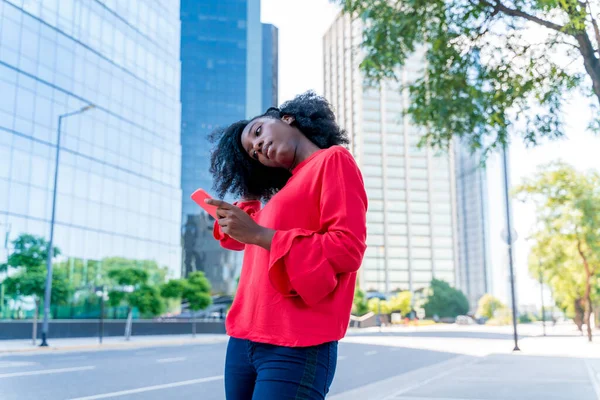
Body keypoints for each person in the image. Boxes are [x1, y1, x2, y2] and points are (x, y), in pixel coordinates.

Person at [206, 91, 368, 399]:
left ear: (286, 118)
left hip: (296, 341)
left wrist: (259, 234)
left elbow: (347, 248)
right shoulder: (279, 196)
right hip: (242, 340)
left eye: (257, 132)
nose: (257, 147)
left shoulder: (333, 160)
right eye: (253, 153)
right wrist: (247, 226)